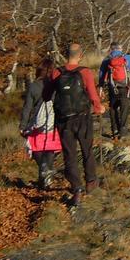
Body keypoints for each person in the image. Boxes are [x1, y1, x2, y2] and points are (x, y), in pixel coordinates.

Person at [45, 43, 104, 209]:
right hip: (83, 117)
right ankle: (91, 182)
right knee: (87, 149)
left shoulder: (57, 72)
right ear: (80, 55)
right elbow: (93, 95)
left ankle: (76, 188)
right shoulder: (85, 72)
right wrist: (99, 108)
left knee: (69, 154)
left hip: (63, 119)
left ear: (66, 54)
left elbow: (46, 96)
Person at [19, 58, 61, 190]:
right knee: (49, 149)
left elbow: (27, 108)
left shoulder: (34, 86)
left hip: (37, 124)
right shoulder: (56, 84)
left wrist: (22, 126)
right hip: (53, 123)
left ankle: (43, 172)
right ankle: (46, 176)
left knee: (37, 148)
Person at [98, 43, 130, 140]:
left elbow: (101, 74)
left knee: (113, 109)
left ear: (111, 49)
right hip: (125, 88)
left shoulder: (107, 59)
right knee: (124, 110)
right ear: (120, 48)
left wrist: (101, 87)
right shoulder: (127, 58)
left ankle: (114, 131)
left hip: (112, 88)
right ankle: (122, 133)